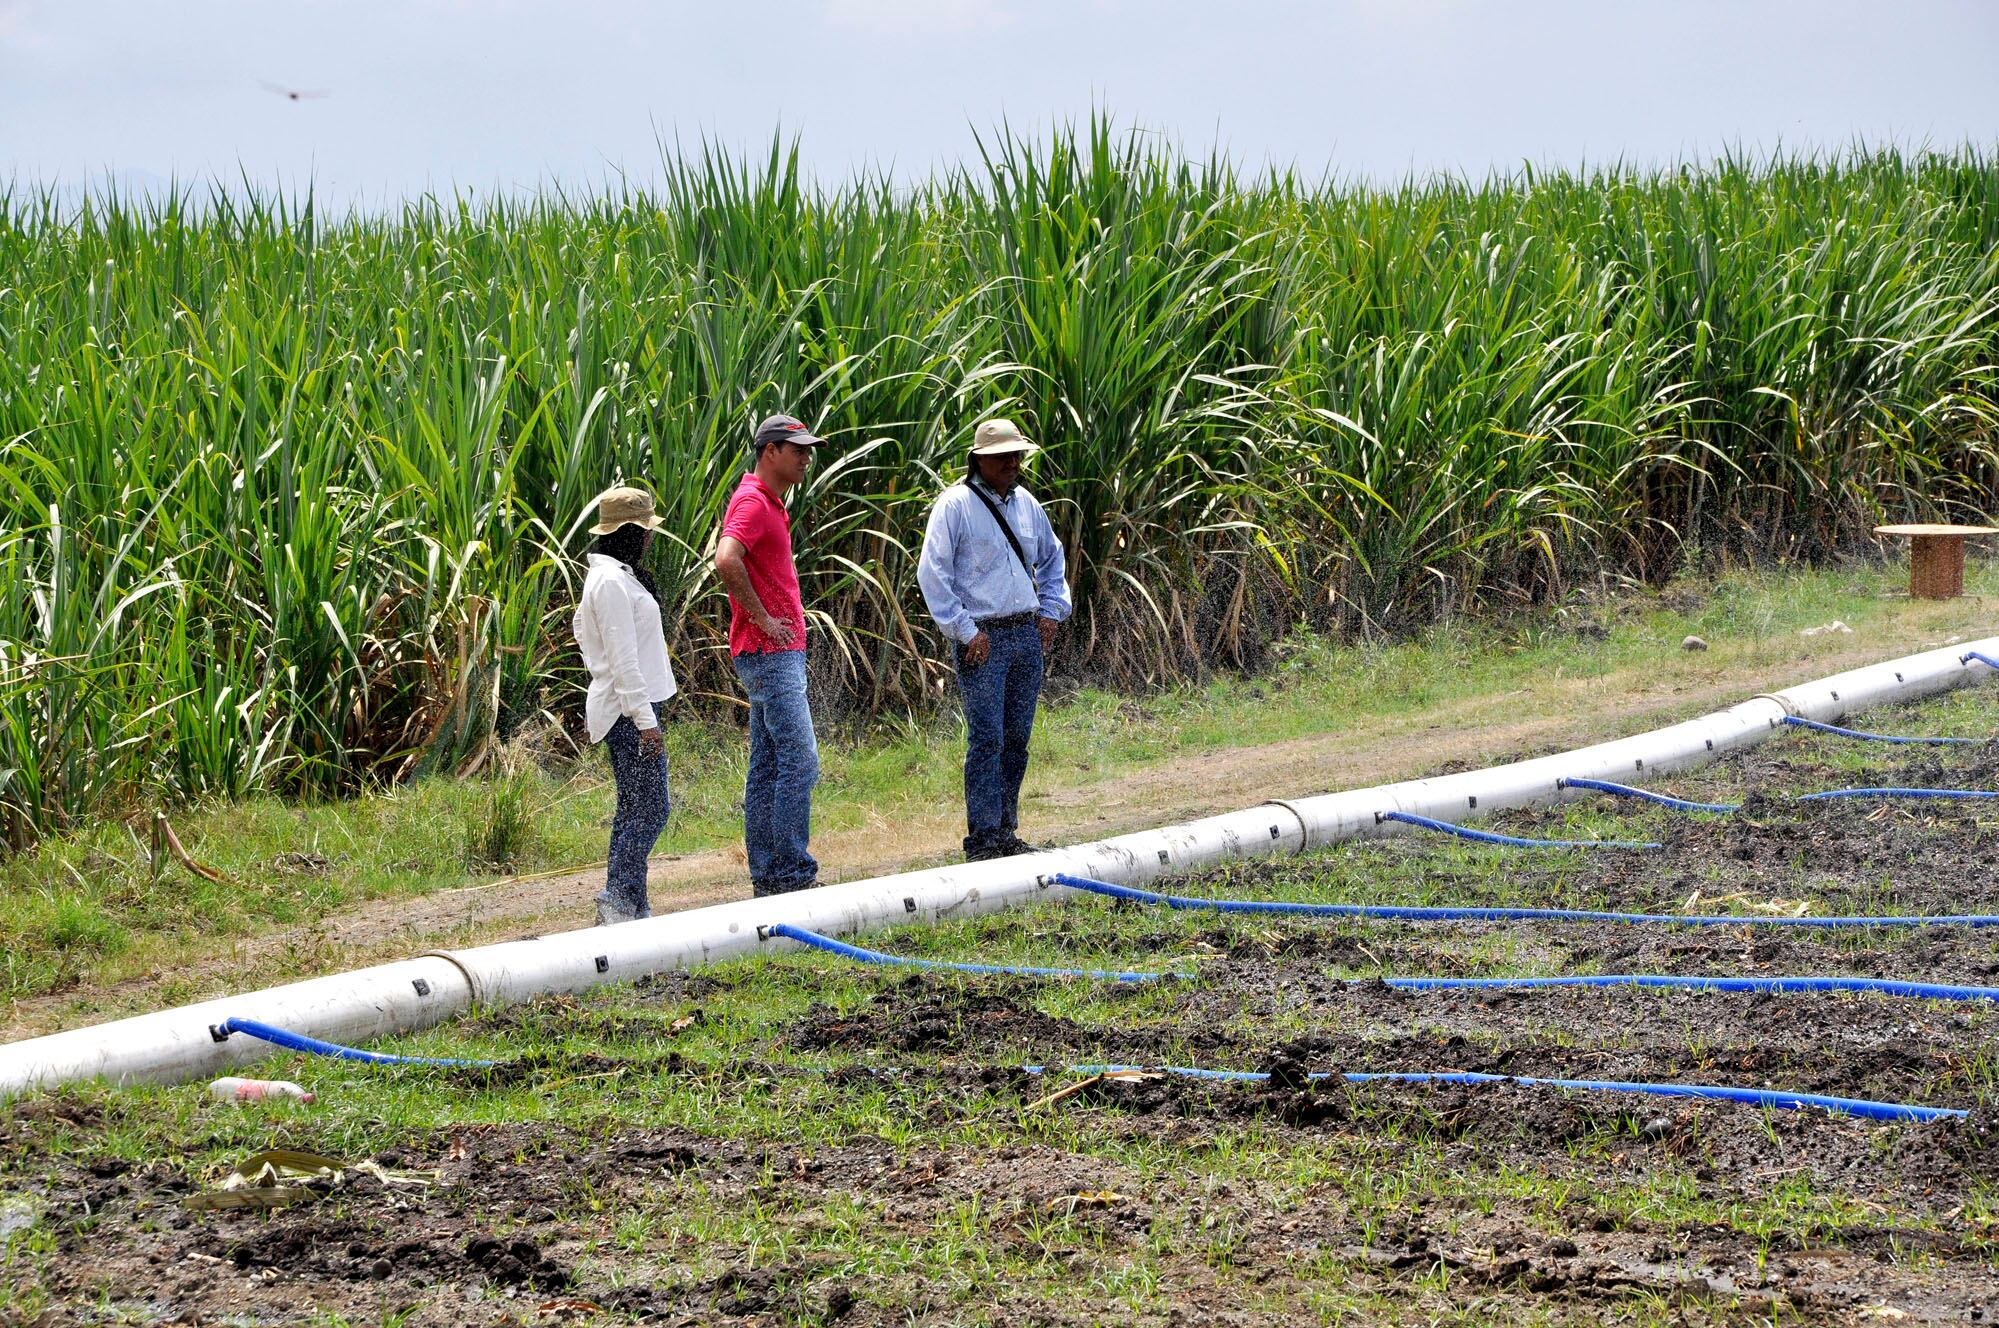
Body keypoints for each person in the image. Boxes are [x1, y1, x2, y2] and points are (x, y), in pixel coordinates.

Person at [916, 418, 1072, 862]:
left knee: (1017, 737)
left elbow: (1053, 557)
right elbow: (932, 573)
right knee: (988, 739)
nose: (1012, 462)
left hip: (1025, 632)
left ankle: (1006, 830)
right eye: (1001, 456)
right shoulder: (955, 505)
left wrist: (1051, 610)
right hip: (982, 638)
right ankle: (984, 839)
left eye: (1016, 454)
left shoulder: (1027, 505)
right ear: (978, 460)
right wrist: (965, 631)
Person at [714, 414, 824, 896]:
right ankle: (791, 873)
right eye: (798, 450)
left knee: (767, 766)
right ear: (770, 451)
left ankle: (767, 874)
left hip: (771, 652)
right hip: (770, 653)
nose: (806, 458)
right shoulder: (754, 502)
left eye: (808, 450)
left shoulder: (767, 501)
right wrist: (762, 618)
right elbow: (726, 558)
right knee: (800, 760)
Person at [573, 485, 678, 925]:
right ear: (632, 532)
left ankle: (633, 906)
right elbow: (623, 661)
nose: (651, 537)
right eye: (646, 529)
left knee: (634, 808)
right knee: (653, 808)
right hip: (628, 712)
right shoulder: (612, 583)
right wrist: (645, 720)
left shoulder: (615, 576)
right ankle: (617, 897)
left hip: (628, 709)